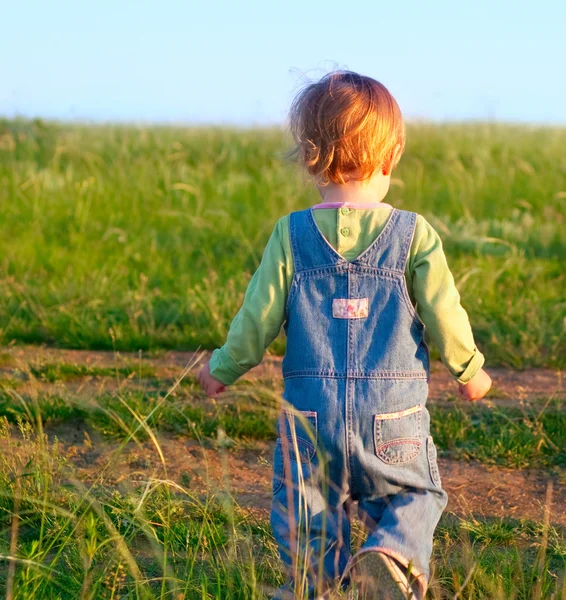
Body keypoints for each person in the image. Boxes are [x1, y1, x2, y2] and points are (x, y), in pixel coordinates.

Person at [197, 71, 492, 600]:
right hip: (392, 418)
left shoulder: (290, 235)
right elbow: (446, 313)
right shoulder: (414, 234)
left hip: (309, 420)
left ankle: (313, 588)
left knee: (308, 516)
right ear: (393, 153)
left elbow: (255, 320)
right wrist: (470, 370)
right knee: (415, 494)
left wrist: (221, 369)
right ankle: (392, 556)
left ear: (309, 156)